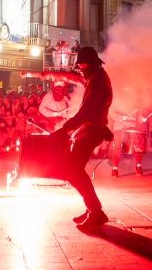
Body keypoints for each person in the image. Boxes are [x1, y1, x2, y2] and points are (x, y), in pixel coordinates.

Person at [52, 46, 114, 231]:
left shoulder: (97, 80)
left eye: (80, 66)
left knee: (72, 169)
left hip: (92, 130)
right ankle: (92, 209)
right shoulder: (98, 77)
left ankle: (95, 211)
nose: (80, 70)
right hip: (92, 129)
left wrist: (66, 128)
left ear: (85, 64)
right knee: (74, 169)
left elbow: (89, 111)